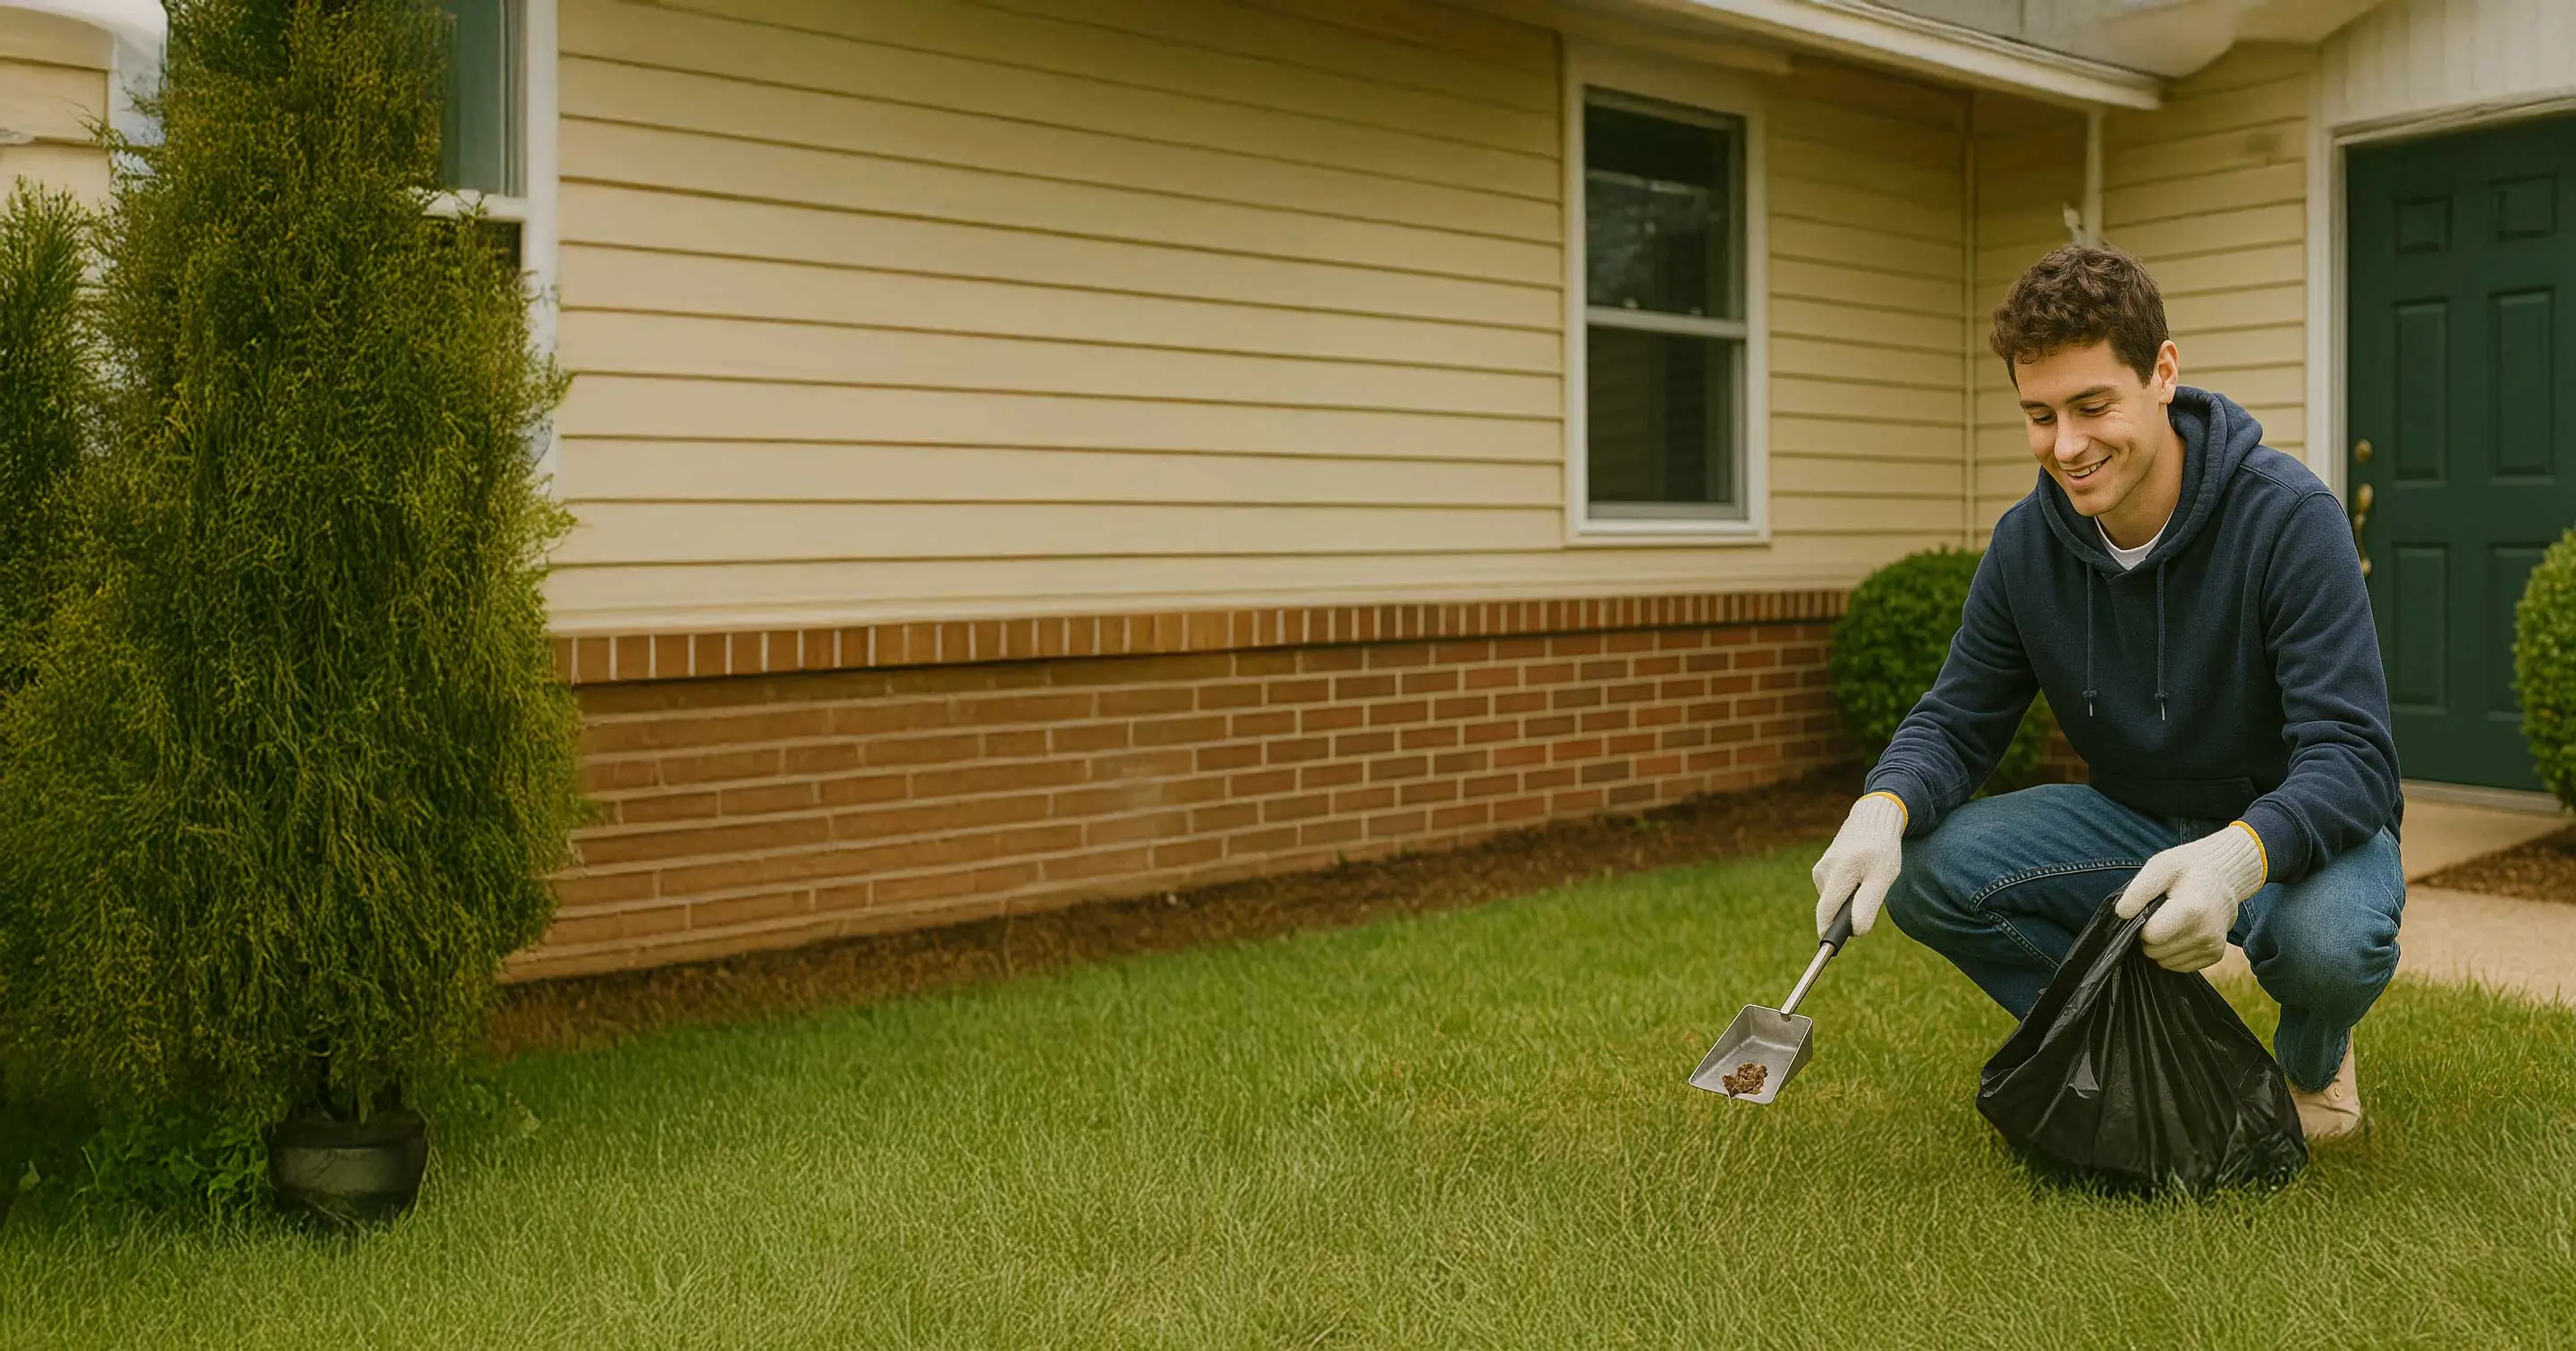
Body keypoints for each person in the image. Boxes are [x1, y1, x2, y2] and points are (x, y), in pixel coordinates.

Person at [1810, 243, 2402, 1143]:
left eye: (2093, 406)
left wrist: (2237, 858)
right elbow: (1958, 719)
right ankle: (2158, 1035)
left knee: (2329, 945)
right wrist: (1882, 807)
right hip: (2135, 820)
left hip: (2294, 830)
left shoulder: (2286, 517)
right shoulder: (2025, 548)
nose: (2068, 445)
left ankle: (2315, 1060)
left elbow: (2354, 759)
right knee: (1929, 872)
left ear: (2163, 373)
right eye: (2040, 416)